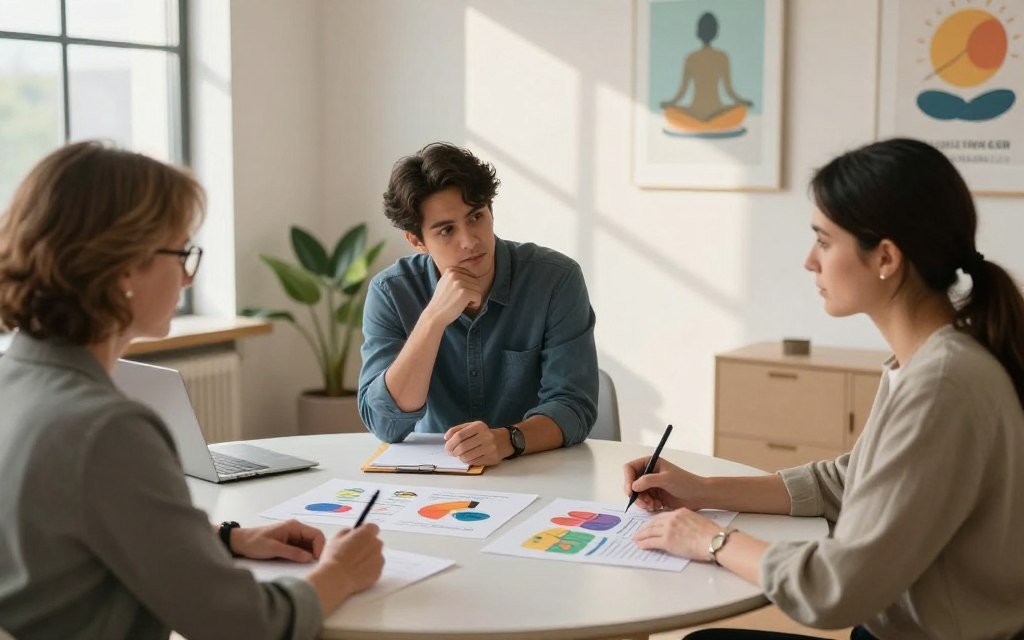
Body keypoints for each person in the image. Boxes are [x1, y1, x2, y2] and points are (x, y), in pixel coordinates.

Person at [622, 138, 1024, 639]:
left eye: (824, 240)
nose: (809, 261)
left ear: (885, 257)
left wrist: (713, 541)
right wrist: (703, 491)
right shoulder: (926, 360)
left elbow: (835, 588)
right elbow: (851, 480)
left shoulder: (943, 384)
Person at [0, 141, 384, 640]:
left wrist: (227, 538)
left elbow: (77, 532)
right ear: (122, 268)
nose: (186, 277)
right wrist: (339, 575)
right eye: (182, 252)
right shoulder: (106, 429)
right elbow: (242, 625)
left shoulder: (17, 382)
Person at [358, 142, 598, 466]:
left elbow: (573, 407)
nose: (470, 240)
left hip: (534, 469)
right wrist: (433, 319)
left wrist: (507, 440)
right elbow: (385, 423)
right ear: (417, 241)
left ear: (491, 211)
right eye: (446, 230)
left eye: (475, 217)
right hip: (431, 478)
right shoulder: (391, 292)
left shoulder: (556, 279)